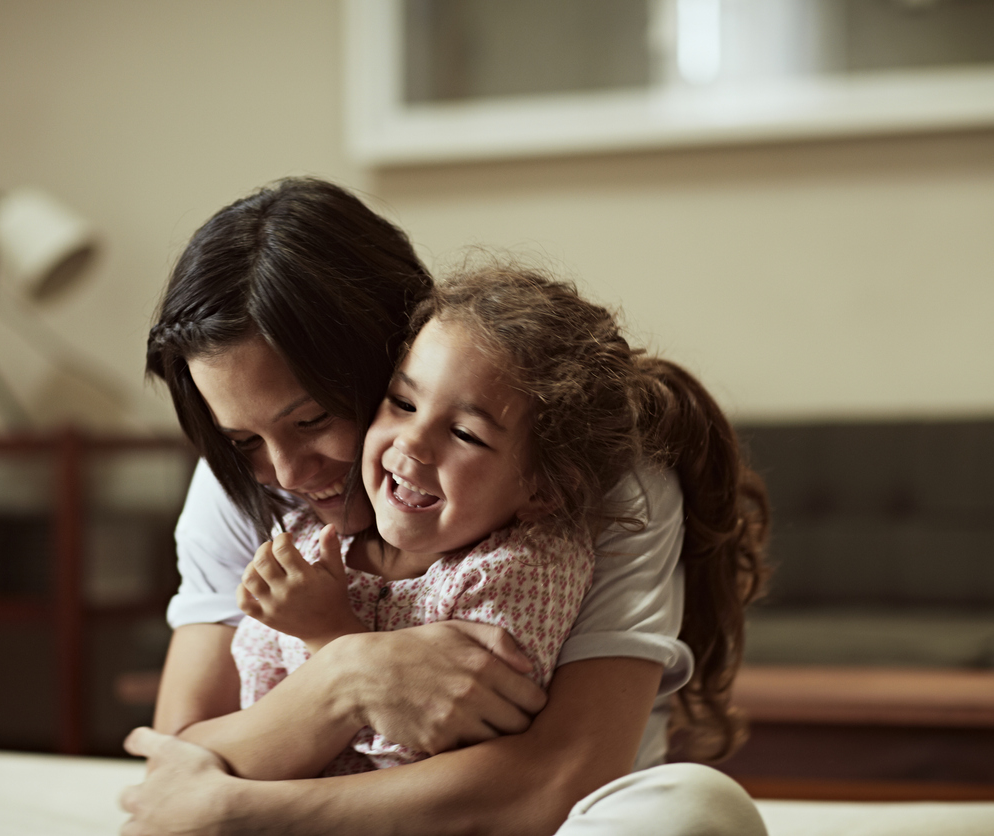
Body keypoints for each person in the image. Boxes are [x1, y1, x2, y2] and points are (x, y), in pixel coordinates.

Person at [122, 177, 770, 836]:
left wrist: (244, 808)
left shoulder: (605, 481)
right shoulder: (247, 481)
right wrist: (348, 675)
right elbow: (176, 768)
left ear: (400, 352)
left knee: (694, 810)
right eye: (242, 439)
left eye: (313, 419)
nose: (286, 472)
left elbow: (554, 778)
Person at [231, 269, 611, 775]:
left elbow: (436, 753)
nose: (411, 442)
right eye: (403, 403)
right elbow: (256, 712)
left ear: (541, 489)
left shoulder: (522, 569)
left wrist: (331, 634)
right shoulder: (308, 538)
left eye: (465, 433)